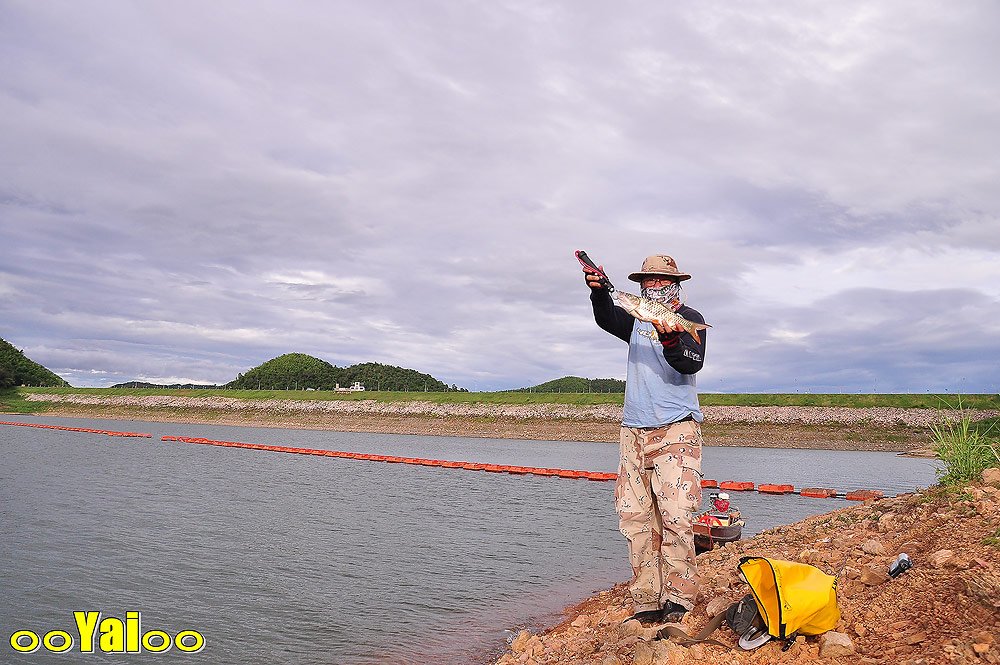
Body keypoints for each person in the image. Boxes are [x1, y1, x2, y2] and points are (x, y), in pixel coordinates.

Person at [584, 254, 707, 625]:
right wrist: (598, 292)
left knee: (677, 515)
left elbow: (691, 362)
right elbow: (607, 316)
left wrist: (671, 338)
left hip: (676, 430)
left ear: (674, 283)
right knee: (635, 518)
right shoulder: (636, 320)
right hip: (632, 432)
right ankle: (646, 600)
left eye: (659, 280)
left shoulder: (692, 319)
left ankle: (680, 598)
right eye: (647, 280)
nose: (652, 285)